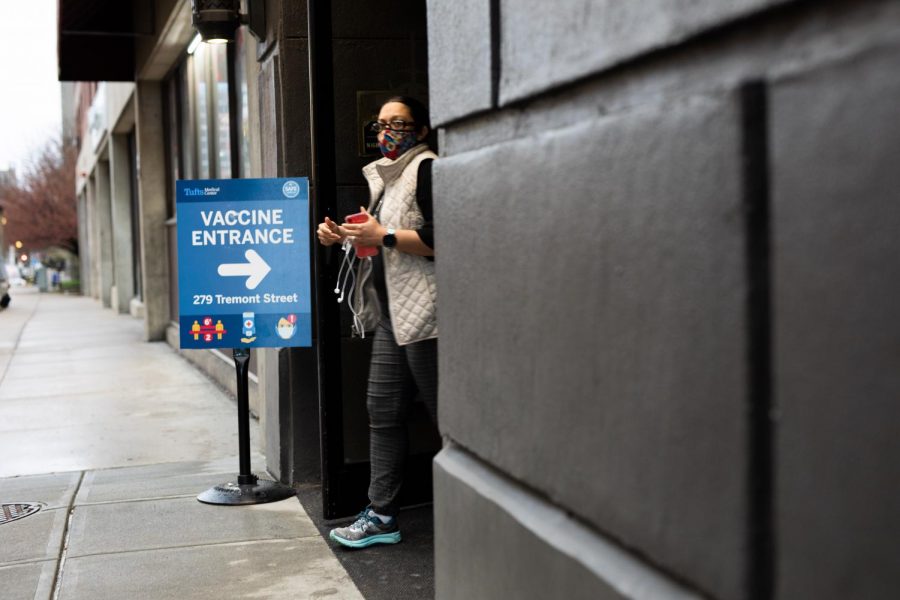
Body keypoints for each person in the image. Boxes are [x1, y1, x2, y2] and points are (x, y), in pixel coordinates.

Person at [316, 96, 438, 549]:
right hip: (392, 315)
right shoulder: (384, 177)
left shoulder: (427, 168)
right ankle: (382, 514)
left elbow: (440, 238)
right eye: (382, 123)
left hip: (427, 316)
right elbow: (378, 240)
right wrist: (342, 235)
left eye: (399, 123)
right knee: (382, 412)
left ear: (421, 130)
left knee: (448, 416)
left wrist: (382, 234)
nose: (387, 131)